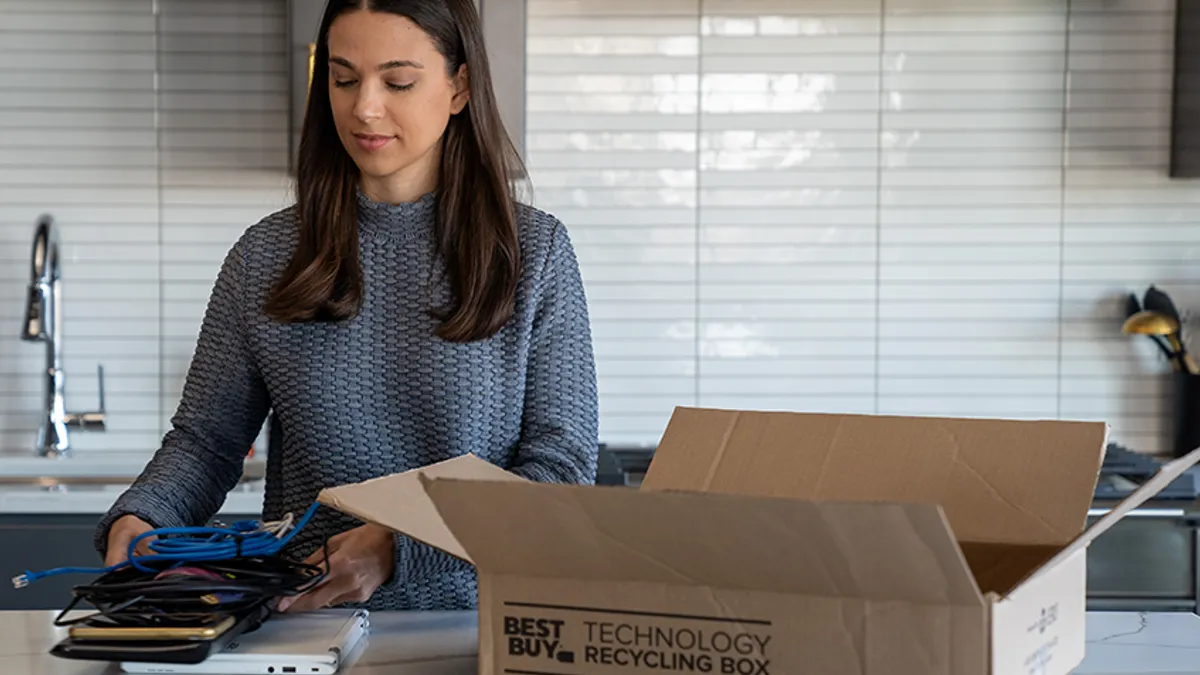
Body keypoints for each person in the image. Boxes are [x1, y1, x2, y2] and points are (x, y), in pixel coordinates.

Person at [93, 0, 599, 612]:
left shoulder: (534, 253)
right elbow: (205, 443)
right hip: (307, 626)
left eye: (398, 81)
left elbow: (561, 473)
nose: (364, 107)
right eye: (343, 78)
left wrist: (398, 549)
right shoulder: (265, 256)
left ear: (460, 86)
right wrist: (143, 517)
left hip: (483, 628)